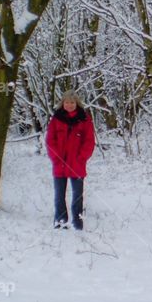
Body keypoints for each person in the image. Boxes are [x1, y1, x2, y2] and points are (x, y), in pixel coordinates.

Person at [45, 90, 96, 230]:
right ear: (63, 103)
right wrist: (55, 158)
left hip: (77, 164)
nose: (69, 105)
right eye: (67, 102)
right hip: (59, 163)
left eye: (72, 102)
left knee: (77, 195)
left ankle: (77, 222)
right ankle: (60, 221)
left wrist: (81, 158)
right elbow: (50, 140)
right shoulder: (56, 119)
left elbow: (89, 141)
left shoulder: (84, 119)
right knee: (59, 195)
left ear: (76, 103)